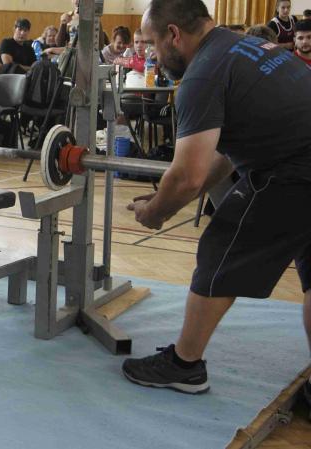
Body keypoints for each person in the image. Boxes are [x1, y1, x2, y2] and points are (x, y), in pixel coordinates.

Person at [122, 0, 311, 398]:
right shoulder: (244, 47)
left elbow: (187, 177)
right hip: (299, 158)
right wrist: (167, 197)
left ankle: (184, 365)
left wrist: (155, 212)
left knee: (220, 249)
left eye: (152, 44)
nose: (152, 55)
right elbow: (224, 154)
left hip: (295, 170)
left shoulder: (203, 74)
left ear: (174, 34)